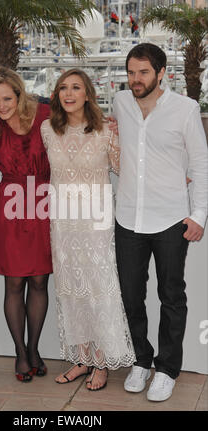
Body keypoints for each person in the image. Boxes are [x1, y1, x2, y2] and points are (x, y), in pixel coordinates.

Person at [113, 43, 208, 402]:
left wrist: (199, 214)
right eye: (131, 72)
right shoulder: (121, 103)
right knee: (131, 295)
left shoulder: (185, 109)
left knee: (171, 297)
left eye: (143, 72)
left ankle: (167, 368)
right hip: (128, 219)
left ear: (161, 73)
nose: (136, 79)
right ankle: (141, 359)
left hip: (170, 220)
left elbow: (200, 164)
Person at [40, 68, 135, 391]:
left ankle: (102, 360)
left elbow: (123, 168)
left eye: (76, 87)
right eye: (63, 87)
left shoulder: (106, 130)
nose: (69, 94)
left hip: (97, 223)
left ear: (88, 94)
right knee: (69, 289)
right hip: (63, 223)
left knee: (98, 287)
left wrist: (126, 133)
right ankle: (82, 359)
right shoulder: (47, 129)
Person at [0, 67, 52, 382]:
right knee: (14, 284)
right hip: (10, 208)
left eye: (7, 98)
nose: (2, 105)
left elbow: (81, 120)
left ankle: (34, 349)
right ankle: (20, 353)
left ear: (19, 95)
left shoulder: (46, 114)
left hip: (43, 204)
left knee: (39, 281)